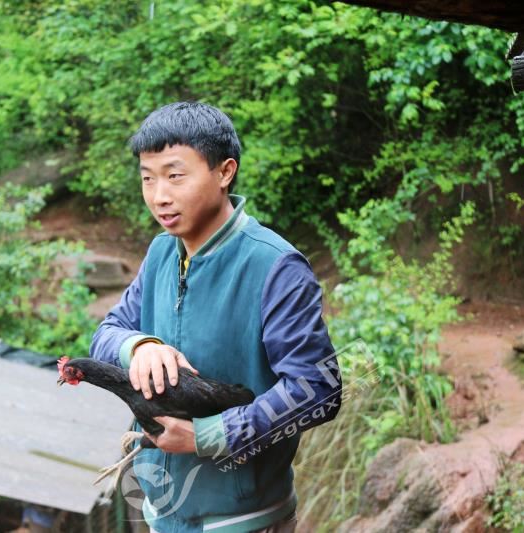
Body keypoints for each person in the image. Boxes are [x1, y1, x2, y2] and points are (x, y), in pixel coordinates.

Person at [90, 102, 341, 533]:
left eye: (175, 176)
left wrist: (207, 436)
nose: (159, 195)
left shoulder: (274, 266)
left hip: (243, 520)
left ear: (225, 172)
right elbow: (106, 334)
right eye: (148, 178)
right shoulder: (161, 253)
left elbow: (317, 390)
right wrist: (139, 346)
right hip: (163, 515)